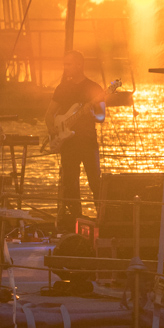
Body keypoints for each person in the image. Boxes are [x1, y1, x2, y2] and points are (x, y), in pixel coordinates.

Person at [50, 51, 105, 222]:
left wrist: (91, 115)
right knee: (70, 184)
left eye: (69, 64)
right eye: (65, 64)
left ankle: (103, 219)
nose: (65, 68)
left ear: (79, 65)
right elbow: (49, 115)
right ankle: (74, 220)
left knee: (95, 182)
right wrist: (54, 134)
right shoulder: (62, 88)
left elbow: (102, 117)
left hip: (88, 142)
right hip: (68, 144)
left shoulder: (94, 88)